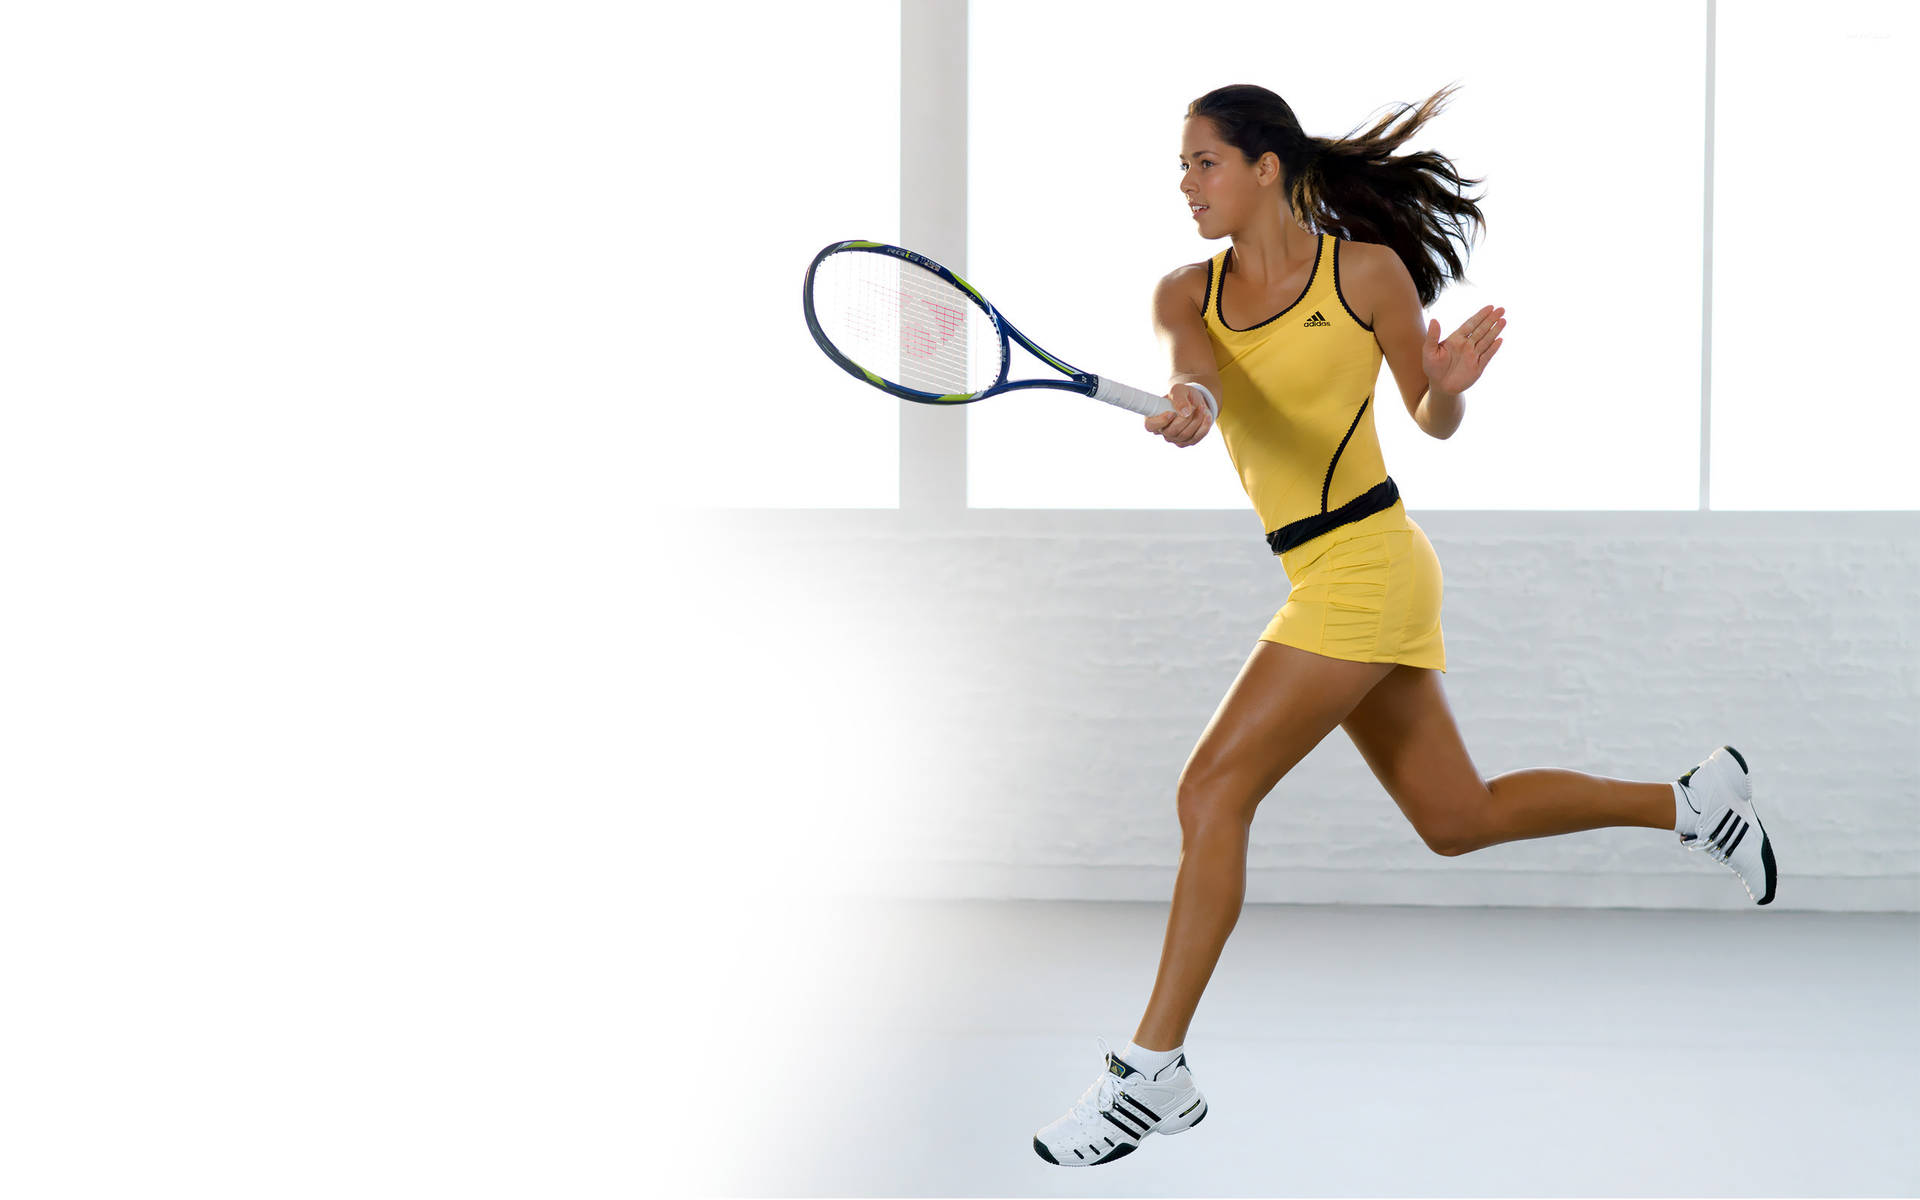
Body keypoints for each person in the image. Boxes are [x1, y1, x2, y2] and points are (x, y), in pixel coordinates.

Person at [1032, 82, 1776, 1169]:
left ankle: (1151, 1070)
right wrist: (1191, 402)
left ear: (1265, 167)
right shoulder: (1181, 294)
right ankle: (1692, 801)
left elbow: (1427, 417)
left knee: (1209, 791)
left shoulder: (1363, 273)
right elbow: (1196, 377)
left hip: (1371, 565)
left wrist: (1450, 386)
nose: (1185, 185)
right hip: (1325, 573)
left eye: (1203, 163)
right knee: (1456, 817)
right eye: (1183, 167)